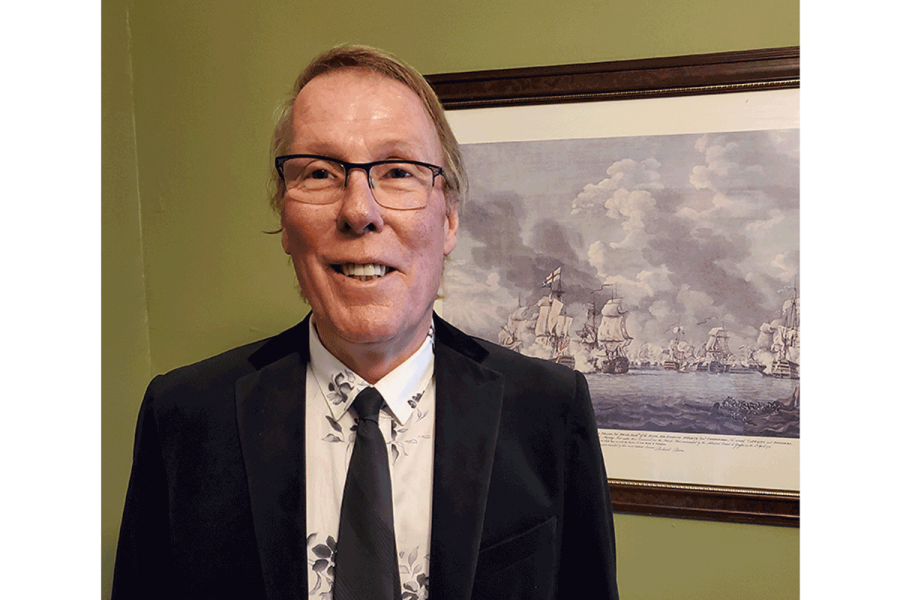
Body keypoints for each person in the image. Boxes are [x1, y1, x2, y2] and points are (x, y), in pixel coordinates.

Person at [112, 45, 619, 600]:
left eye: (398, 171)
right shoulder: (184, 417)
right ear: (283, 216)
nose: (358, 210)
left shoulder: (548, 408)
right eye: (321, 172)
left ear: (447, 218)